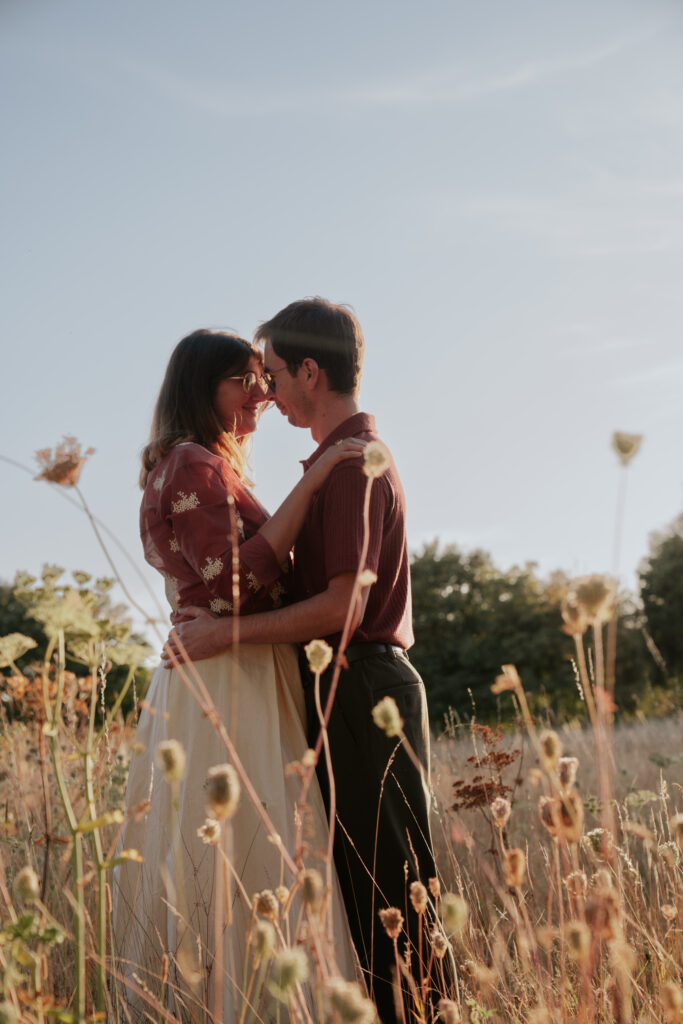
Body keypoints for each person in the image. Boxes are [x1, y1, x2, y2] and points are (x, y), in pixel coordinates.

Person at [165, 300, 439, 1024]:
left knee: (393, 895)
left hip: (363, 686)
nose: (266, 391)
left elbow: (344, 609)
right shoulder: (330, 464)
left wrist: (224, 636)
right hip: (338, 689)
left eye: (274, 374)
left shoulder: (352, 467)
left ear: (310, 372)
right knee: (361, 896)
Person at [113, 328, 364, 1021]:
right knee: (252, 846)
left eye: (261, 377)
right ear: (201, 390)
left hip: (229, 666)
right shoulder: (193, 462)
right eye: (241, 380)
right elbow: (230, 587)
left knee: (248, 847)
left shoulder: (196, 463)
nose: (259, 393)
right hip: (229, 672)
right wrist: (315, 479)